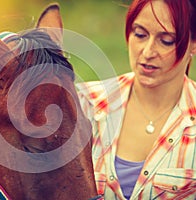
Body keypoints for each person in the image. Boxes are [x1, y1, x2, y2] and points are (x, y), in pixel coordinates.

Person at [76, 0, 196, 199]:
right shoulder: (83, 103)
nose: (148, 52)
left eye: (166, 40)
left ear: (193, 44)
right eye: (140, 35)